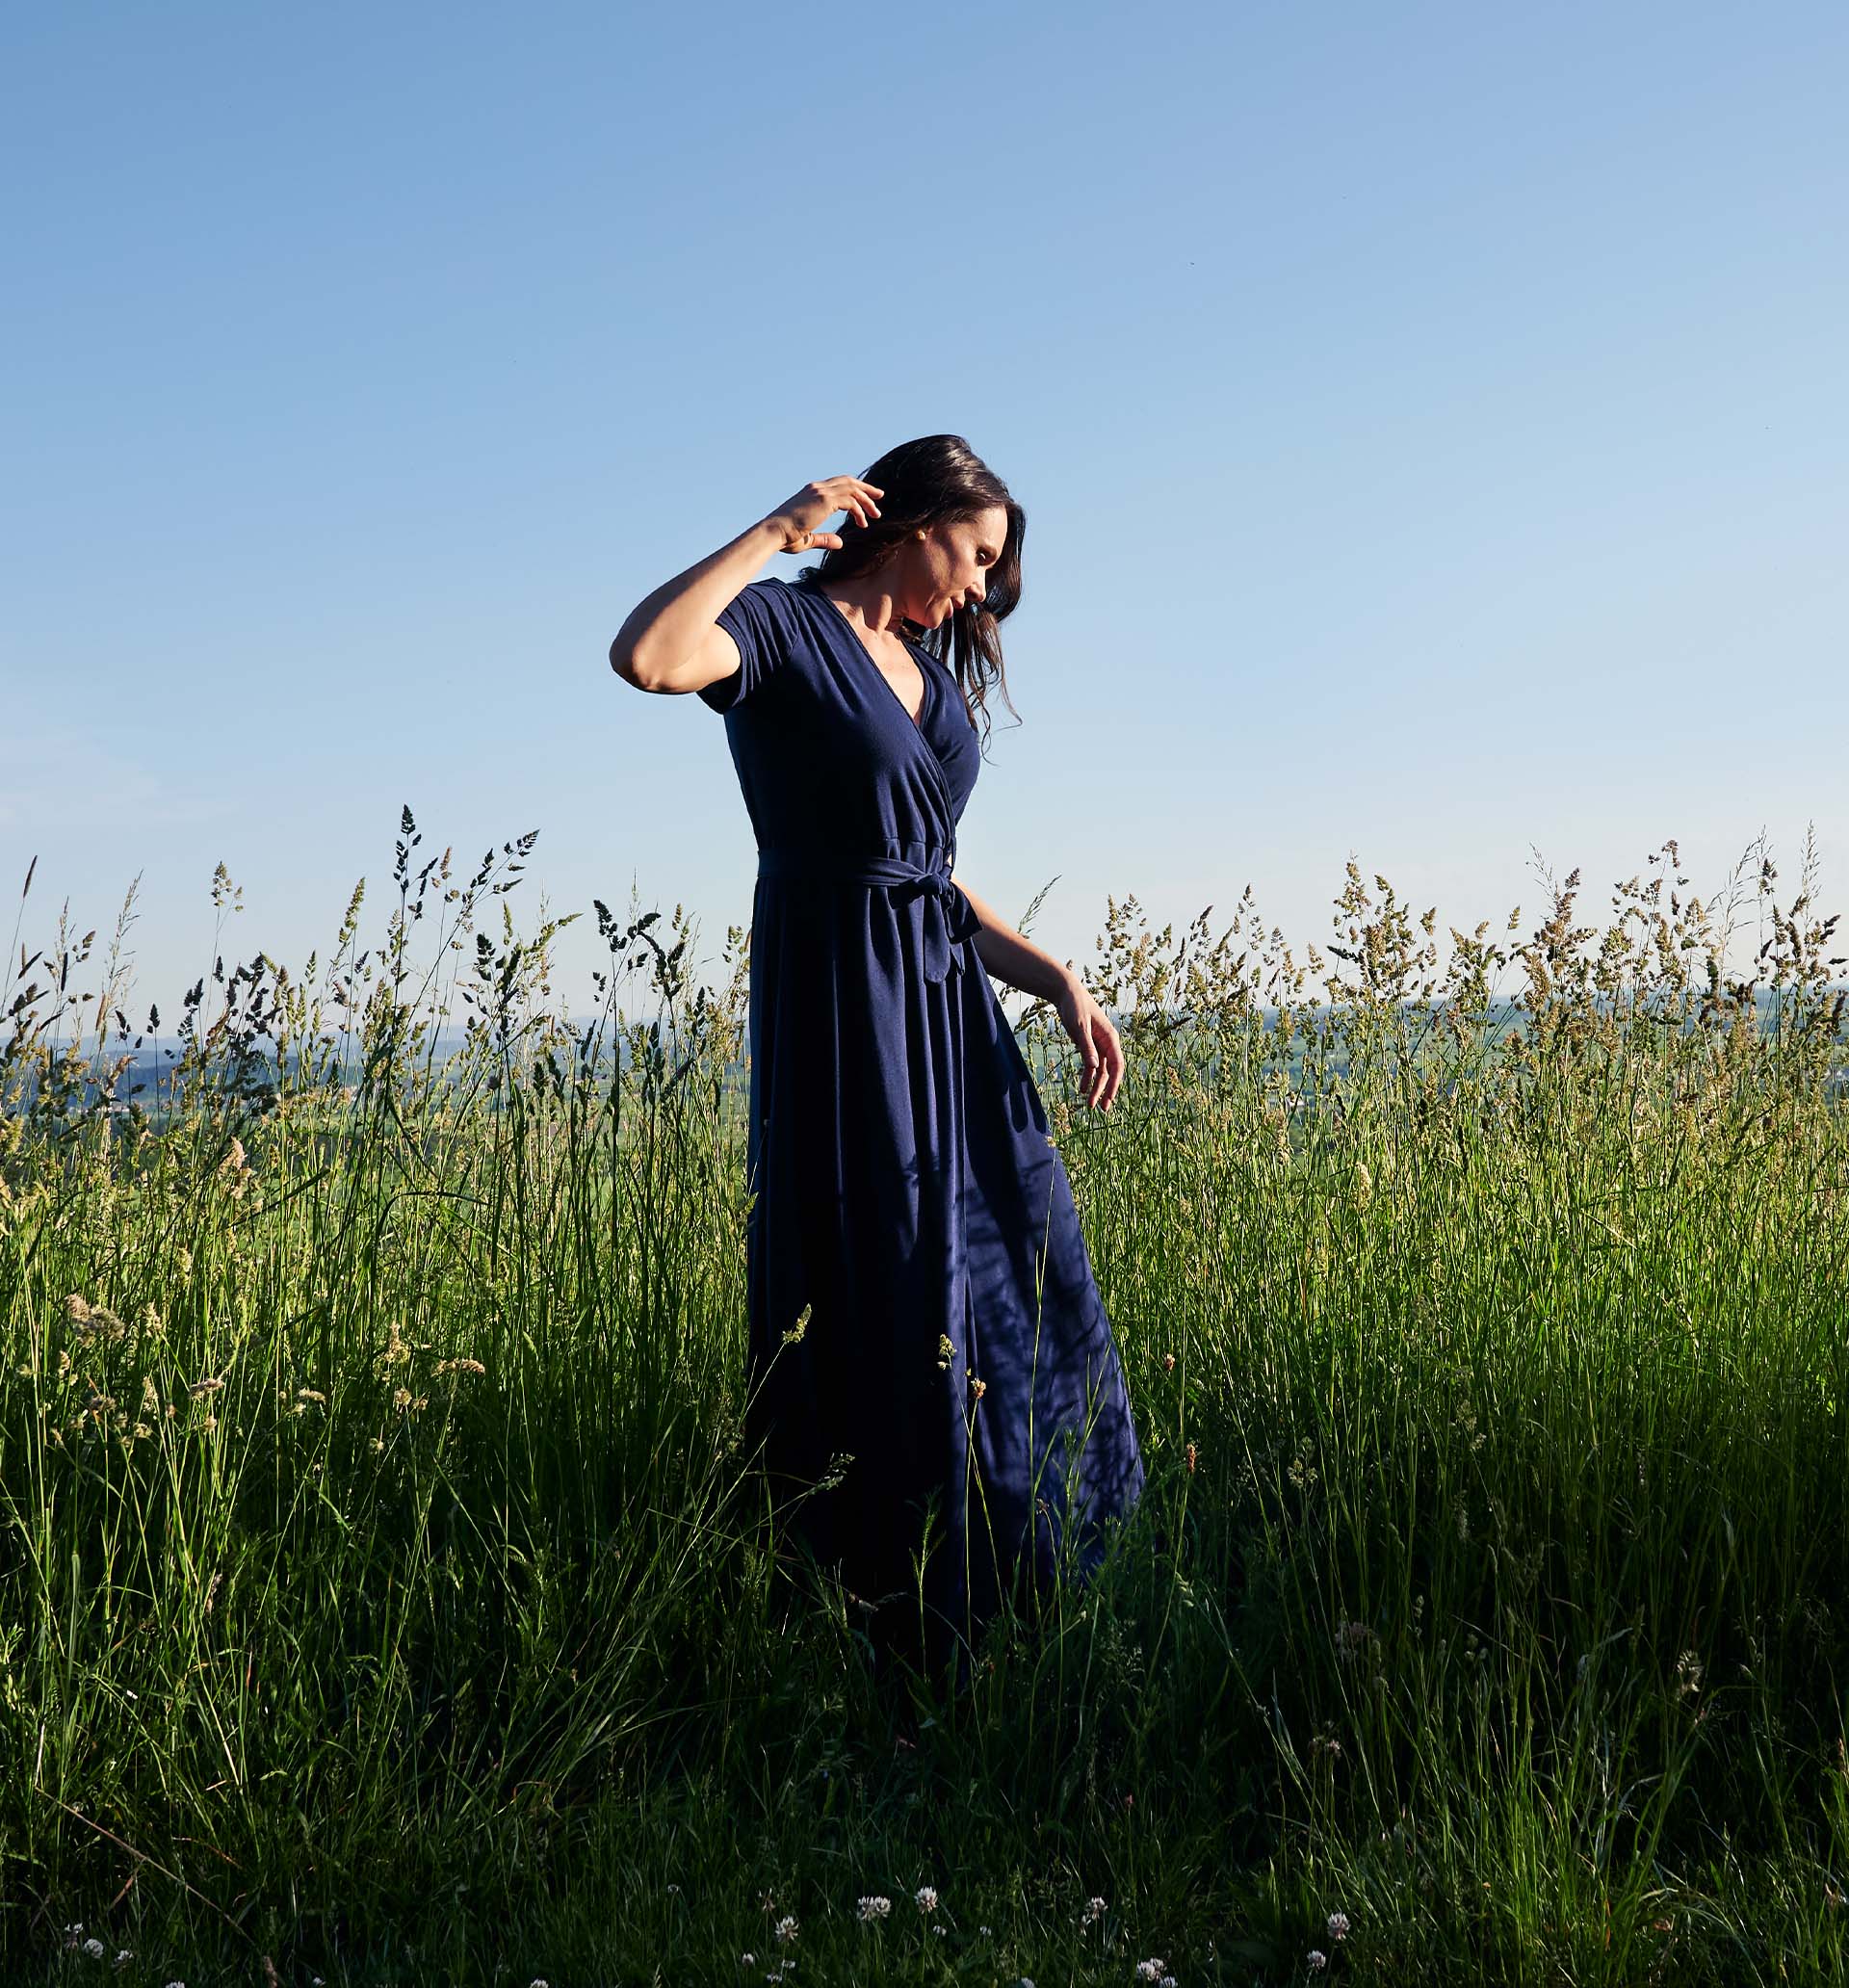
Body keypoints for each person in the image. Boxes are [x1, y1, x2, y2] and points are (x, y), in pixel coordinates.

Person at [608, 434, 1145, 1685]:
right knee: (882, 1280)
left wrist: (1051, 975)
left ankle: (1030, 1567)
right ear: (915, 523)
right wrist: (768, 530)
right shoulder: (781, 632)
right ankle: (881, 1607)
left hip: (948, 1006)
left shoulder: (923, 668)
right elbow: (645, 657)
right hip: (845, 1001)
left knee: (1015, 1254)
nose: (983, 587)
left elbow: (932, 869)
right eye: (977, 554)